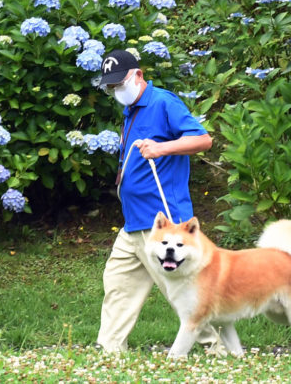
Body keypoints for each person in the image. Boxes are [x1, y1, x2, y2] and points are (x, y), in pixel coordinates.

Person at [95, 48, 220, 353]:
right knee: (118, 282)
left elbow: (203, 140)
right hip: (134, 221)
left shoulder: (163, 101)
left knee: (181, 289)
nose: (116, 91)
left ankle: (217, 346)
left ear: (138, 75)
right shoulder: (132, 110)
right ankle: (109, 349)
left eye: (119, 84)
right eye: (111, 87)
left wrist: (162, 149)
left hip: (164, 222)